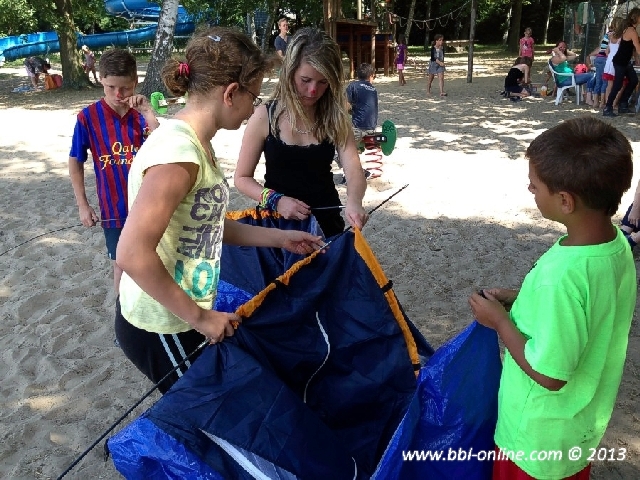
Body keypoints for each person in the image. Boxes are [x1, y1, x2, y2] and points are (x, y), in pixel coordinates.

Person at [115, 27, 325, 394]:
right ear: (230, 94)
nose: (254, 109)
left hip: (182, 314)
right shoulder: (179, 156)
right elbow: (131, 253)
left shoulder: (197, 143)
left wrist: (280, 238)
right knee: (210, 411)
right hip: (162, 323)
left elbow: (205, 223)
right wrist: (201, 318)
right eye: (253, 97)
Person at [469, 116, 636, 480]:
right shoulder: (615, 246)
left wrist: (499, 321)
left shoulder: (562, 276)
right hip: (575, 429)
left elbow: (550, 374)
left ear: (564, 200)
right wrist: (520, 298)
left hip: (535, 440)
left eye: (535, 186)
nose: (530, 189)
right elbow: (589, 309)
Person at [235, 27, 369, 240]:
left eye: (323, 82)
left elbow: (354, 172)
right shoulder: (265, 116)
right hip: (276, 225)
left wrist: (354, 201)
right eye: (305, 80)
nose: (313, 90)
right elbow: (242, 178)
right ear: (290, 73)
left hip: (326, 224)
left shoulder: (335, 118)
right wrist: (276, 200)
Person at [68, 49, 159, 294]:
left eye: (125, 88)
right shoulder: (88, 117)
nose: (118, 95)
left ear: (135, 82)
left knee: (155, 261)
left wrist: (149, 114)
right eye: (111, 87)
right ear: (101, 80)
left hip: (150, 205)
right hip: (114, 209)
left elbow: (163, 148)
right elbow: (75, 161)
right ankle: (121, 313)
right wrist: (83, 205)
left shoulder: (142, 115)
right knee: (121, 264)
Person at [603, 8, 640, 117]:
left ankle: (623, 105)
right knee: (617, 85)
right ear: (637, 17)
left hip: (625, 62)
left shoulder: (629, 28)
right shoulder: (631, 31)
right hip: (620, 62)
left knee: (634, 80)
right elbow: (638, 49)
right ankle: (608, 108)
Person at [346, 62, 378, 145]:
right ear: (371, 76)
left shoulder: (353, 86)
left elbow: (346, 106)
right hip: (372, 128)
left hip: (358, 128)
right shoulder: (373, 89)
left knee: (343, 143)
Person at [602, 17, 625, 111]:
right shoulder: (622, 37)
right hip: (618, 60)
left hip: (610, 60)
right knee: (620, 84)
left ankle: (608, 104)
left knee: (609, 84)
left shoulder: (610, 36)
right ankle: (614, 103)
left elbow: (606, 51)